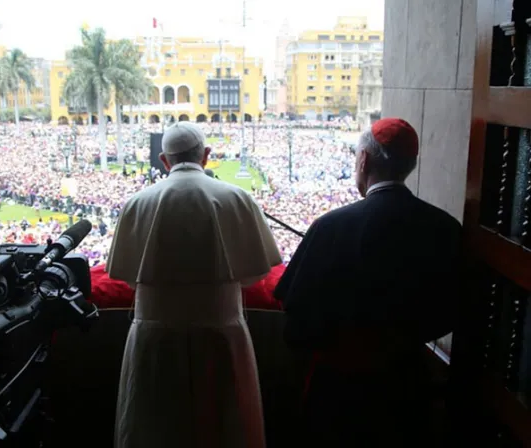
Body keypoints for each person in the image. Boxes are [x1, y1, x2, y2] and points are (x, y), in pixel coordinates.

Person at [274, 118, 463, 447]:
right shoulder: (445, 227)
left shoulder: (331, 227)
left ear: (363, 160)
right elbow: (455, 308)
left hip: (339, 391)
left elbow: (296, 319)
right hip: (409, 383)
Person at [107, 122, 282, 448]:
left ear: (164, 160)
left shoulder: (137, 202)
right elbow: (254, 275)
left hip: (154, 336)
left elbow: (126, 277)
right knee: (225, 428)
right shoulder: (236, 198)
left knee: (154, 426)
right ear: (207, 156)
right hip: (221, 333)